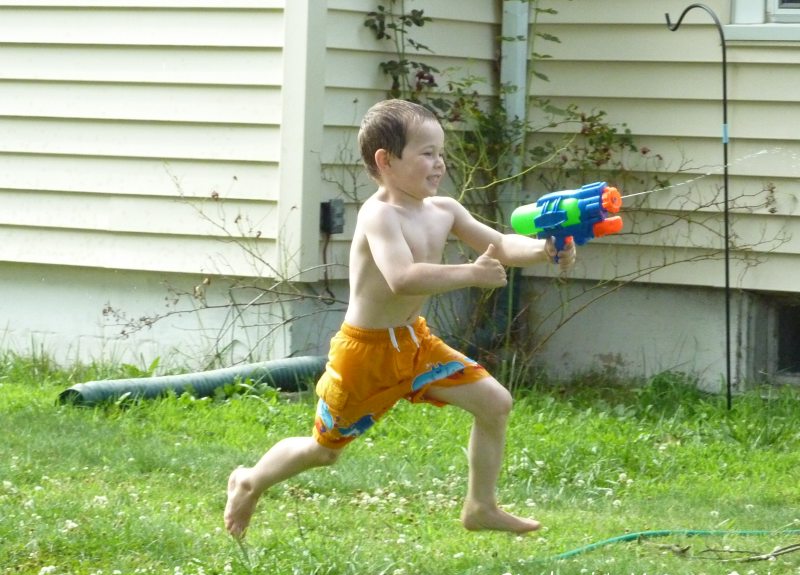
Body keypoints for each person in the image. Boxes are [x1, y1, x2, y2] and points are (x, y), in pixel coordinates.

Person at [224, 98, 575, 538]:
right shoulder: (379, 215)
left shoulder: (444, 209)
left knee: (495, 403)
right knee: (324, 451)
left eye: (441, 153)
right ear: (385, 160)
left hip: (415, 344)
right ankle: (250, 480)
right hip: (364, 354)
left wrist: (545, 249)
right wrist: (471, 273)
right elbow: (402, 278)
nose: (439, 164)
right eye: (427, 153)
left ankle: (480, 506)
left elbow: (501, 245)